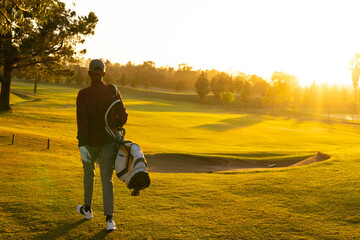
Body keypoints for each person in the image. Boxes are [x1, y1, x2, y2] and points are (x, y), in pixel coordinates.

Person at [76, 59, 128, 231]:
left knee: (88, 174)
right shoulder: (112, 91)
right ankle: (109, 220)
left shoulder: (83, 94)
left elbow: (81, 123)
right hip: (108, 142)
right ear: (104, 74)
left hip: (88, 144)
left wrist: (82, 143)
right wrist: (113, 125)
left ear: (90, 74)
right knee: (107, 179)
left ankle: (88, 209)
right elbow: (124, 117)